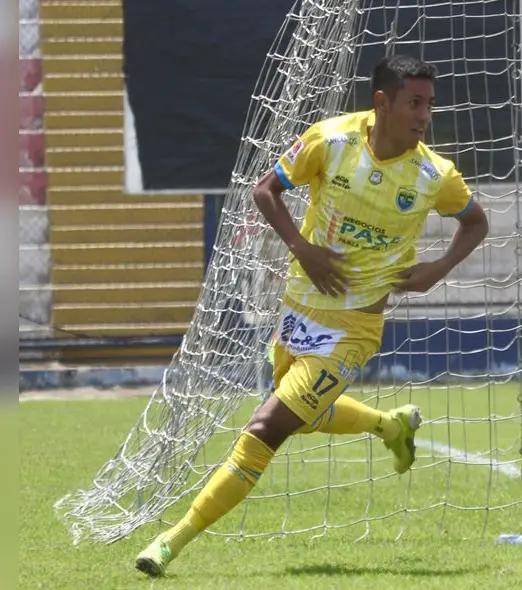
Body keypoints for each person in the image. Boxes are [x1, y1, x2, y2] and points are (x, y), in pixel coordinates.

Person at [136, 54, 490, 576]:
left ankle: (172, 539)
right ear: (382, 103)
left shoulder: (435, 176)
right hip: (298, 309)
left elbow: (475, 223)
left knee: (266, 428)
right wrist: (302, 247)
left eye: (429, 105)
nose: (423, 116)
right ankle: (386, 425)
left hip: (355, 329)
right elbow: (265, 191)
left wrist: (437, 268)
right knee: (302, 417)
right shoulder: (332, 140)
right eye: (414, 103)